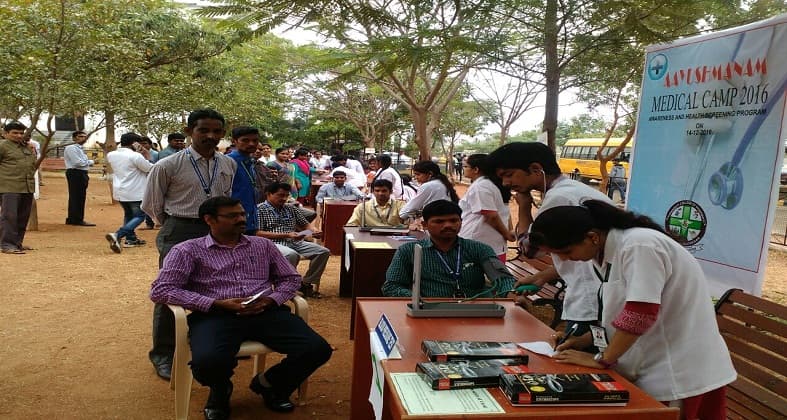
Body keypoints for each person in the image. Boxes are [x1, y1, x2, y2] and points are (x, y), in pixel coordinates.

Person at [530, 200, 736, 418]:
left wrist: (602, 359)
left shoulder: (640, 246)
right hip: (652, 363)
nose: (564, 259)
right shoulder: (606, 253)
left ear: (592, 237)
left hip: (677, 370)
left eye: (566, 251)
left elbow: (640, 312)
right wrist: (585, 340)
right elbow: (619, 309)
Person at [150, 196, 332, 419]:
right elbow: (162, 290)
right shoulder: (187, 250)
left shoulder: (262, 245)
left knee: (317, 349)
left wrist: (271, 300)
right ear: (209, 220)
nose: (241, 219)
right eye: (232, 216)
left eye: (242, 214)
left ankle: (271, 384)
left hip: (265, 311)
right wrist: (215, 303)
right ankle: (220, 390)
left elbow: (290, 278)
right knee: (207, 363)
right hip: (215, 315)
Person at [141, 108, 237, 381]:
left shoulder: (228, 164)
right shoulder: (167, 165)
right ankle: (163, 354)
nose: (210, 136)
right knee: (171, 291)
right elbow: (152, 205)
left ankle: (213, 342)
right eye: (203, 130)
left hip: (216, 231)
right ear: (189, 131)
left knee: (219, 285)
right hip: (180, 229)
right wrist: (175, 224)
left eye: (216, 131)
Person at [488, 141, 614, 345]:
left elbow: (530, 249)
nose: (505, 183)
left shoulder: (559, 198)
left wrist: (524, 207)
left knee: (576, 355)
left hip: (589, 299)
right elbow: (577, 255)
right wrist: (542, 276)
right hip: (597, 294)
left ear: (536, 169)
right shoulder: (574, 190)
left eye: (509, 174)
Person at [383, 200, 516, 298]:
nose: (448, 225)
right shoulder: (409, 251)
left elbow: (504, 279)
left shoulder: (479, 249)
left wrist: (510, 293)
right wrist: (417, 299)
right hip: (428, 311)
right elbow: (392, 286)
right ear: (425, 225)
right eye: (439, 221)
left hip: (474, 311)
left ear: (461, 222)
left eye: (453, 220)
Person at [257, 182, 330, 298]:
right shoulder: (259, 209)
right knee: (291, 254)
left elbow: (306, 225)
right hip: (272, 244)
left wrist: (313, 231)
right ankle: (287, 285)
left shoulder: (290, 208)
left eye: (286, 195)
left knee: (323, 252)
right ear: (269, 194)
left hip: (294, 241)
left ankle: (306, 283)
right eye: (280, 195)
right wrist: (287, 235)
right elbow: (258, 233)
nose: (284, 198)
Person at [459, 154, 515, 261]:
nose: (463, 169)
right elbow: (504, 210)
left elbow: (491, 216)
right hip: (492, 243)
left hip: (479, 243)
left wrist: (507, 234)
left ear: (476, 169)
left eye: (466, 166)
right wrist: (508, 231)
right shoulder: (492, 184)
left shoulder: (481, 187)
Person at [104, 132, 153, 253]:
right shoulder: (135, 156)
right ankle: (118, 235)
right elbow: (149, 168)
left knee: (129, 214)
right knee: (140, 216)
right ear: (134, 143)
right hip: (135, 191)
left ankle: (131, 239)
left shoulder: (111, 154)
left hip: (120, 190)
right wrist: (146, 154)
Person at [0, 121, 36, 254]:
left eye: (21, 133)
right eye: (15, 133)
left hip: (26, 187)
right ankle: (7, 244)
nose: (19, 135)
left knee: (22, 217)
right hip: (9, 187)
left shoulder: (26, 147)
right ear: (5, 133)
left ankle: (17, 243)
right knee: (9, 217)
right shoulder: (2, 146)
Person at [227, 126, 262, 236]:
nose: (251, 144)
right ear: (234, 141)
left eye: (255, 140)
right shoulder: (228, 161)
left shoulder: (250, 161)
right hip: (233, 219)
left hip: (250, 217)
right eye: (245, 140)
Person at [64, 130, 95, 226]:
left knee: (78, 196)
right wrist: (91, 162)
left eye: (84, 137)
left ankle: (73, 218)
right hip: (76, 173)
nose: (83, 138)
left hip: (80, 173)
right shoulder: (71, 148)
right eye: (80, 136)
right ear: (74, 138)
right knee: (77, 196)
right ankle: (77, 219)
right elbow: (77, 163)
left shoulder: (80, 149)